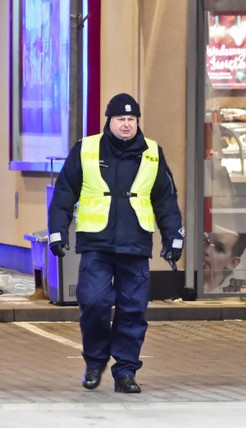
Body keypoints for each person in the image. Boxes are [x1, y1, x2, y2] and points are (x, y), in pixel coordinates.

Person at [48, 93, 185, 394]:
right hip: (96, 243)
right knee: (94, 303)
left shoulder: (152, 153)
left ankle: (125, 372)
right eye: (121, 119)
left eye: (131, 119)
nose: (126, 124)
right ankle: (95, 362)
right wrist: (57, 232)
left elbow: (165, 199)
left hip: (135, 243)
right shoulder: (86, 149)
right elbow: (64, 193)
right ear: (109, 121)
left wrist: (174, 236)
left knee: (133, 310)